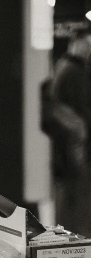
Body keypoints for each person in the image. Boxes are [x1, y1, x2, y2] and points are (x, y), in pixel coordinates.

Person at [50, 28, 91, 236]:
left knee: (74, 195)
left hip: (70, 144)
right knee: (77, 196)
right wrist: (79, 132)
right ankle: (76, 240)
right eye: (87, 44)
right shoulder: (72, 70)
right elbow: (64, 107)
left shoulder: (66, 67)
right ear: (77, 44)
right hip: (74, 144)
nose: (89, 49)